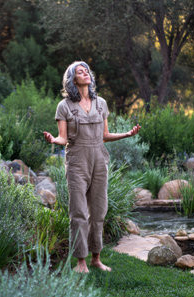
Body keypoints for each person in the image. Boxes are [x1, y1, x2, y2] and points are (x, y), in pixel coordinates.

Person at [43, 61, 141, 273]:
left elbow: (105, 135)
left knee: (98, 212)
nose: (86, 73)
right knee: (78, 213)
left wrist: (127, 134)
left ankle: (96, 258)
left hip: (99, 161)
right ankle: (81, 262)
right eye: (80, 71)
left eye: (86, 71)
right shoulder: (64, 106)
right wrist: (53, 140)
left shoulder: (101, 103)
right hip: (77, 163)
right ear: (72, 79)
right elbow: (63, 138)